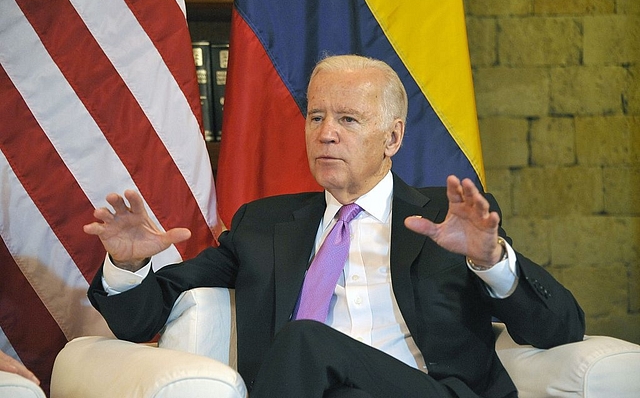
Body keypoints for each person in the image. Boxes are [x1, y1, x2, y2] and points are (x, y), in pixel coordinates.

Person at [85, 54, 585, 398]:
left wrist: (491, 261)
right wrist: (128, 264)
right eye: (316, 116)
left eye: (347, 119)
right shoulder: (264, 225)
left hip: (428, 391)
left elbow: (561, 328)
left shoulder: (446, 219)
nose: (325, 134)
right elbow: (139, 319)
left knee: (306, 339)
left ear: (393, 137)